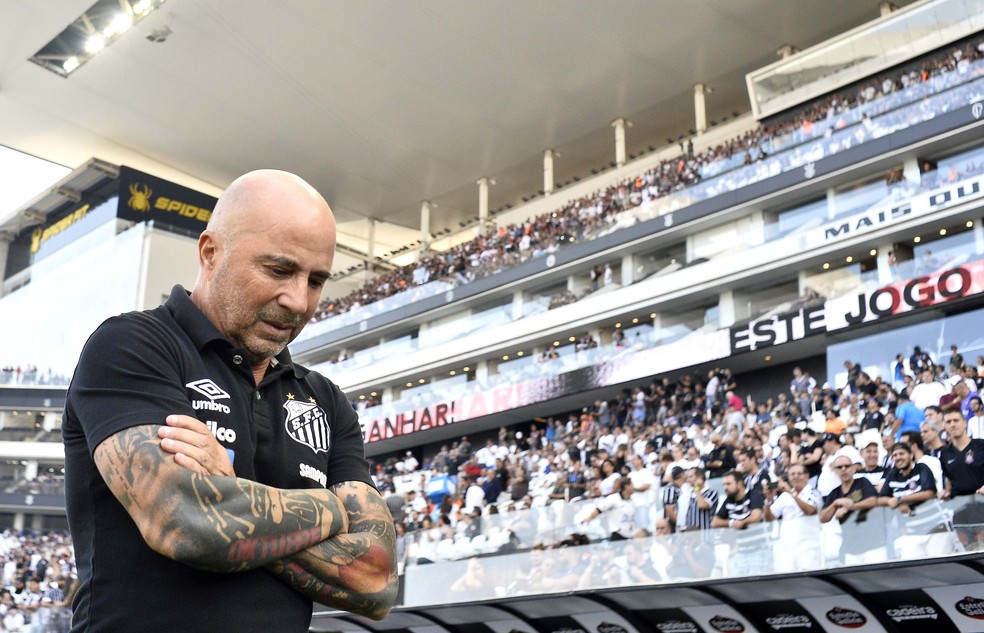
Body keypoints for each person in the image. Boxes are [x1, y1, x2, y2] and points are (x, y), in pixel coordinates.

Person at [61, 171, 397, 633]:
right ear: (210, 252)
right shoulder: (132, 345)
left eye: (316, 280)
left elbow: (375, 580)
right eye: (279, 270)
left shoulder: (326, 401)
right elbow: (185, 523)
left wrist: (229, 491)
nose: (298, 300)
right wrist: (335, 512)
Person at [941, 408, 984, 497]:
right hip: (959, 505)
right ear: (945, 426)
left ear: (965, 423)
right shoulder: (944, 453)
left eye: (956, 420)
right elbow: (949, 478)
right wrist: (945, 492)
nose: (952, 424)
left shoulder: (981, 445)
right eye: (948, 422)